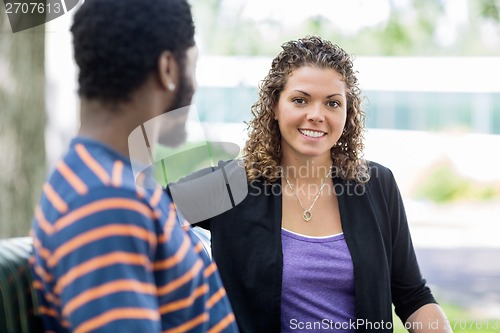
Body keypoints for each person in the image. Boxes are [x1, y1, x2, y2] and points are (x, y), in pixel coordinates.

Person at [194, 36, 452, 332]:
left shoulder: (377, 184)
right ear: (275, 107)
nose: (316, 115)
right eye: (300, 100)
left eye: (332, 103)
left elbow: (413, 297)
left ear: (347, 113)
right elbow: (141, 213)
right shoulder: (232, 185)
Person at [29, 0, 238, 332]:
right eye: (193, 65)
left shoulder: (111, 181)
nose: (195, 85)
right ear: (168, 69)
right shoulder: (105, 200)